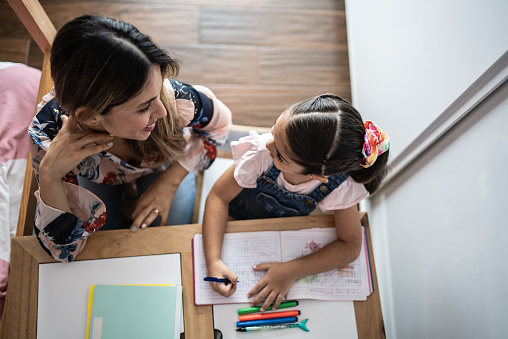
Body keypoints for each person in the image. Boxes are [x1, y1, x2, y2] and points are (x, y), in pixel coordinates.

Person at [28, 15, 232, 262]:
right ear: (92, 117)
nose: (163, 112)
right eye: (144, 107)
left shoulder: (178, 100)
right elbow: (63, 249)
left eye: (158, 92)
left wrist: (170, 180)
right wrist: (50, 175)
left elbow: (220, 127)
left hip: (163, 167)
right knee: (101, 245)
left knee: (167, 238)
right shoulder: (48, 136)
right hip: (99, 178)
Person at [202, 93, 389, 311]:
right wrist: (213, 260)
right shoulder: (261, 153)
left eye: (280, 156)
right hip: (238, 216)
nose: (268, 145)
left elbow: (351, 246)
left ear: (317, 177)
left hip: (283, 232)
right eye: (274, 129)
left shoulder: (340, 184)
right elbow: (218, 196)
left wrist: (291, 271)